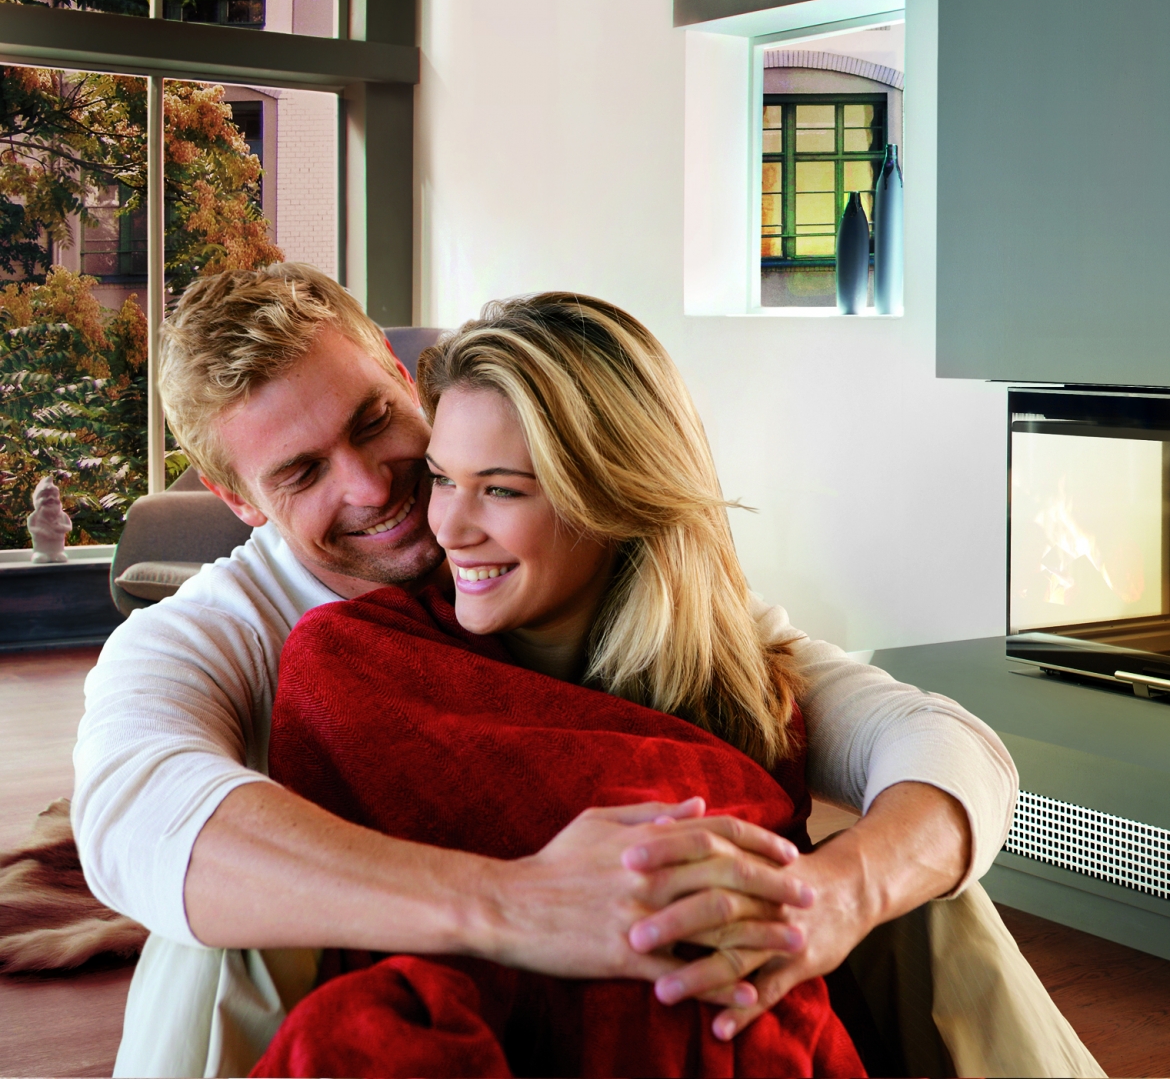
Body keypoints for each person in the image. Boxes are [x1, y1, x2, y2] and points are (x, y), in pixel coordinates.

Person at [73, 264, 1016, 1077]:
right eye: (301, 473)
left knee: (925, 884)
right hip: (400, 983)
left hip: (654, 981)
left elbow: (932, 741)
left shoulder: (595, 565)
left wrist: (841, 895)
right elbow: (133, 816)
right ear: (239, 499)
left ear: (402, 379)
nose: (372, 486)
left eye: (373, 422)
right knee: (214, 944)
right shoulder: (221, 630)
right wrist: (512, 905)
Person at [254, 291, 876, 1076]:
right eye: (442, 479)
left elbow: (941, 747)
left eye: (501, 489)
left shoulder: (745, 689)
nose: (448, 528)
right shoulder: (353, 661)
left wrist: (849, 885)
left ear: (613, 495)